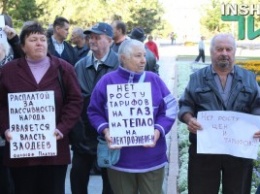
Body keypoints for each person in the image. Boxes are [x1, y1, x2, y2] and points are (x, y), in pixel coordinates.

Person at [0, 21, 83, 194]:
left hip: (55, 151)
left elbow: (75, 101)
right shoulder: (8, 71)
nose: (39, 43)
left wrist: (62, 128)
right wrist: (5, 129)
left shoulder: (63, 68)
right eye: (33, 39)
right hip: (21, 153)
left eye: (42, 39)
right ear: (22, 46)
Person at [87, 39, 177, 194]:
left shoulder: (154, 79)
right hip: (120, 159)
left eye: (144, 55)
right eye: (137, 56)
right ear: (123, 58)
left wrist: (158, 131)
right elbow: (94, 111)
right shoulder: (107, 81)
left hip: (152, 158)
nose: (143, 60)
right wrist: (106, 131)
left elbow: (170, 108)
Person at [178, 33, 260, 194]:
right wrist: (189, 119)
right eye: (219, 49)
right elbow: (185, 105)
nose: (224, 53)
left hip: (239, 151)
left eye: (228, 49)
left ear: (234, 52)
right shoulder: (197, 78)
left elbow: (258, 105)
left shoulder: (249, 79)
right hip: (204, 150)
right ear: (211, 51)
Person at [71, 22, 119, 194]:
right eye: (90, 37)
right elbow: (74, 99)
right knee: (77, 178)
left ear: (110, 41)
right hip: (83, 134)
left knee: (111, 183)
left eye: (97, 37)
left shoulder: (121, 64)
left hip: (111, 134)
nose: (92, 40)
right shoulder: (79, 65)